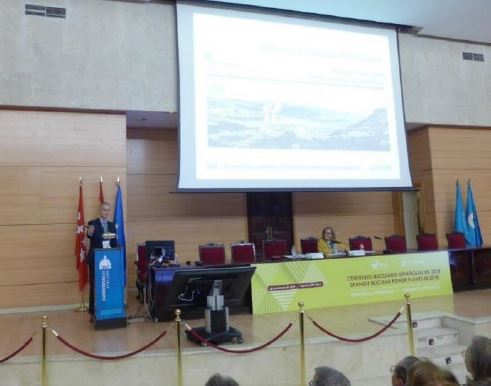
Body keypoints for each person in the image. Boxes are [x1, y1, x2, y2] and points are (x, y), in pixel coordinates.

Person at [86, 202, 118, 320]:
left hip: (109, 260)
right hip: (96, 259)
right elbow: (89, 236)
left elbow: (114, 243)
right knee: (95, 285)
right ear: (100, 211)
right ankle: (92, 312)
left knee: (108, 284)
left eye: (108, 210)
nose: (107, 212)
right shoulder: (92, 223)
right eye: (104, 210)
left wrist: (118, 248)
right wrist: (90, 232)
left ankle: (107, 308)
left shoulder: (112, 225)